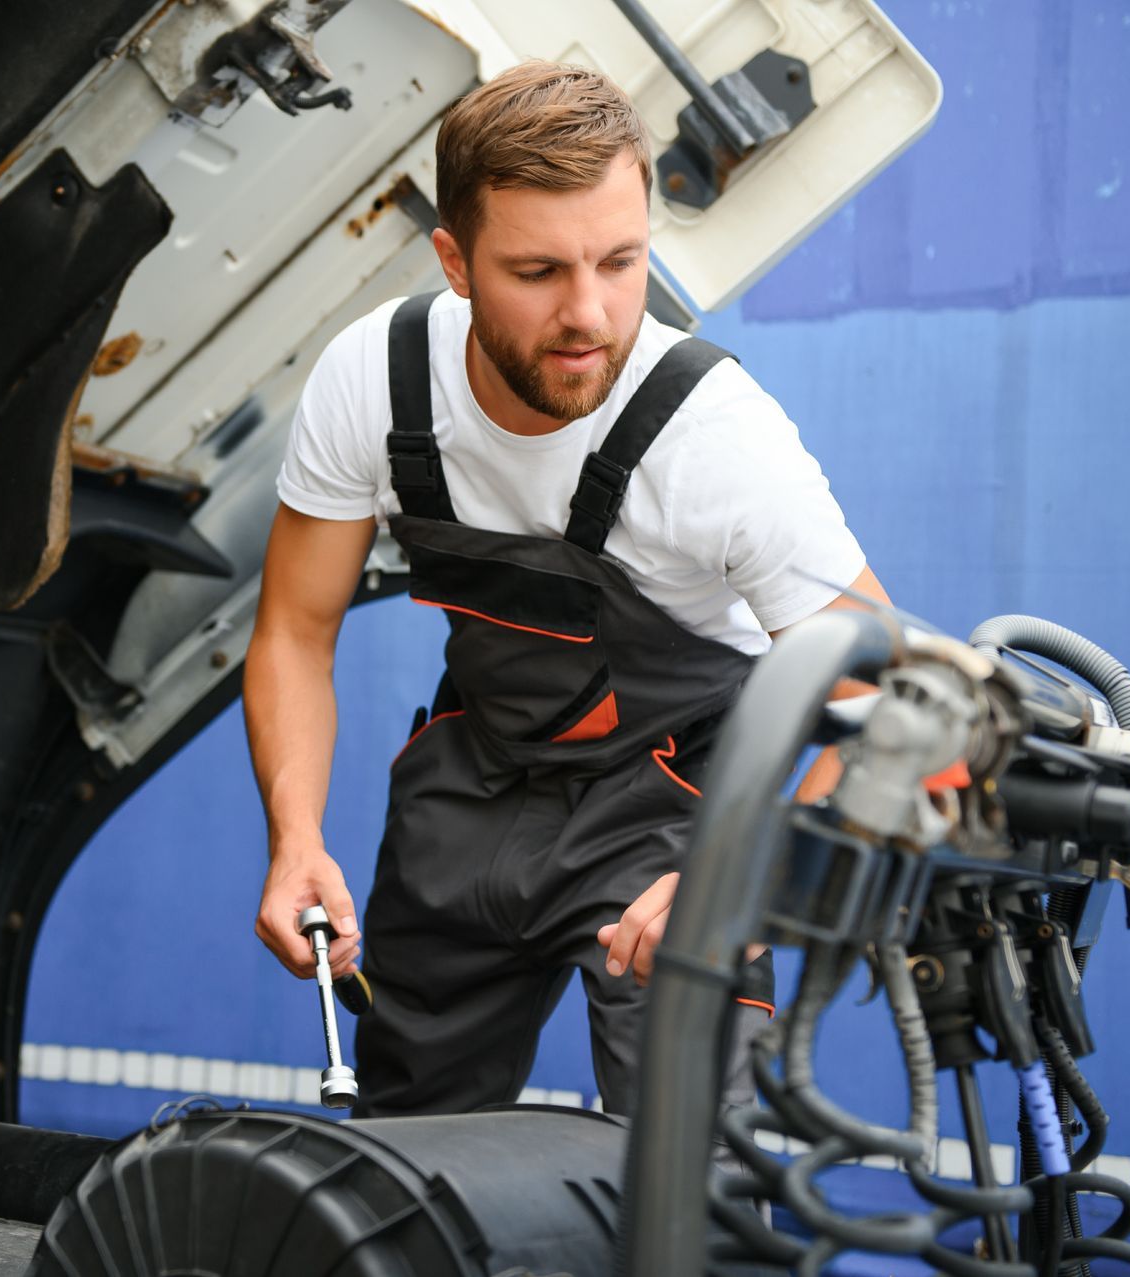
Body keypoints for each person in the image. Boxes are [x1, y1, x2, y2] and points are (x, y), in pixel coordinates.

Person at [243, 60, 889, 1118]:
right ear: (455, 260)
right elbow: (292, 634)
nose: (590, 313)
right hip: (473, 784)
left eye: (621, 261)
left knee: (684, 1185)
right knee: (401, 1165)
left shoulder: (716, 441)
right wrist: (297, 837)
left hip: (670, 812)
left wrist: (758, 872)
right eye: (538, 271)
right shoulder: (377, 380)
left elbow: (910, 713)